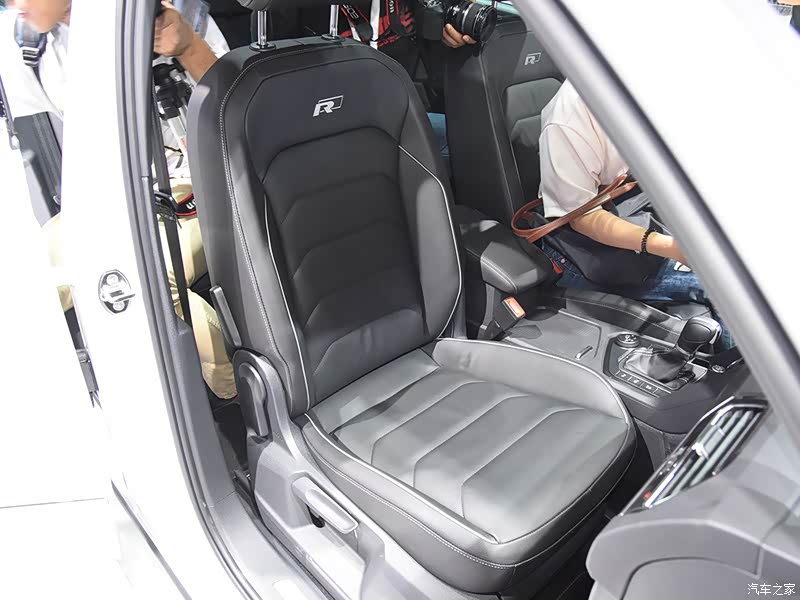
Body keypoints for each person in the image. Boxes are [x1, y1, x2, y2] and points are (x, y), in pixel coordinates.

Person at [1, 0, 238, 398]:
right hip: (111, 198)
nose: (14, 2)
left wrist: (188, 47)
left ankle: (237, 392)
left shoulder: (162, 15)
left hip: (193, 190)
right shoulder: (29, 41)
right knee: (24, 276)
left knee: (145, 276)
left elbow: (235, 105)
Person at [538, 80, 733, 348]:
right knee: (729, 285)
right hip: (581, 244)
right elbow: (582, 216)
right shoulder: (571, 115)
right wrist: (672, 248)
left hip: (638, 206)